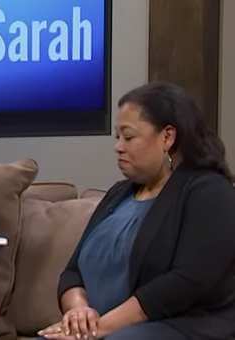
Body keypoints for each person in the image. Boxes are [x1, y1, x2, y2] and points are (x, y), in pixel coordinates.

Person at [37, 82, 235, 340]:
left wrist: (101, 328)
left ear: (167, 137)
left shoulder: (209, 191)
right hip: (104, 328)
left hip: (180, 326)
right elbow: (72, 272)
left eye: (128, 137)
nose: (118, 146)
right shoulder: (118, 194)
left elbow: (187, 282)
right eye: (117, 137)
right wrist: (78, 313)